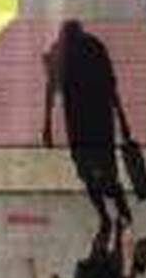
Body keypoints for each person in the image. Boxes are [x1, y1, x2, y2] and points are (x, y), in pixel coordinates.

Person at [42, 20, 135, 238]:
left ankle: (105, 215)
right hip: (100, 118)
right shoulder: (94, 46)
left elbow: (52, 88)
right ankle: (122, 212)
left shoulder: (60, 50)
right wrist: (122, 118)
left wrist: (47, 124)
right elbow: (111, 85)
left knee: (86, 172)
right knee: (108, 170)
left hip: (78, 122)